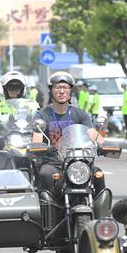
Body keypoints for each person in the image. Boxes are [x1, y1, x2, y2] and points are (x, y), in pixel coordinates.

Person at [31, 71, 101, 199]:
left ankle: (101, 210)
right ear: (51, 90)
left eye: (65, 87)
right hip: (53, 163)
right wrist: (40, 147)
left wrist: (103, 144)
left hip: (78, 162)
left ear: (70, 91)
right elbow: (37, 140)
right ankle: (46, 209)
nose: (62, 91)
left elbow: (93, 134)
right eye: (58, 87)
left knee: (98, 174)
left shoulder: (80, 114)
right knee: (46, 174)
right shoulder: (42, 115)